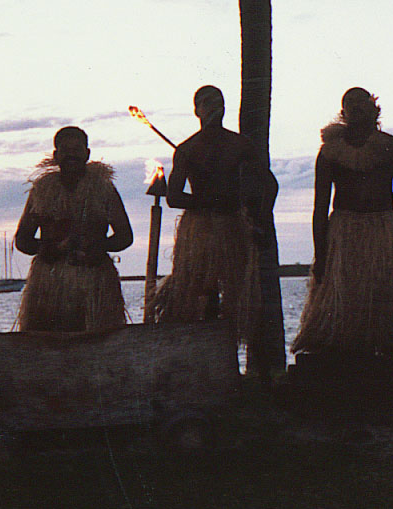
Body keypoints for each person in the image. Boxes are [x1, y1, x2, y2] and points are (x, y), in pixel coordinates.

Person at [292, 87, 393, 357]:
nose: (356, 109)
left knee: (391, 305)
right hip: (345, 235)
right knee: (346, 309)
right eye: (350, 105)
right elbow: (319, 208)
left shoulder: (392, 147)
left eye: (361, 104)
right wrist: (321, 256)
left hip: (385, 233)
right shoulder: (330, 153)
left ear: (374, 109)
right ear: (343, 113)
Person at [147, 84, 272, 343]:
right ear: (197, 111)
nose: (214, 107)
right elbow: (173, 197)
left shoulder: (240, 145)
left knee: (238, 294)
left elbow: (269, 185)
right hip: (200, 229)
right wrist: (204, 200)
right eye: (207, 102)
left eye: (218, 102)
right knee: (202, 293)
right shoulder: (187, 150)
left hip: (232, 226)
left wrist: (258, 219)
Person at [14, 126, 133, 333]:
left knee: (97, 343)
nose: (71, 154)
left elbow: (125, 237)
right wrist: (48, 248)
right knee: (48, 344)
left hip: (95, 282)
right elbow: (23, 241)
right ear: (55, 155)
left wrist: (98, 247)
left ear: (87, 154)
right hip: (49, 283)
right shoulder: (42, 190)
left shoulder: (103, 189)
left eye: (77, 149)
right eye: (65, 149)